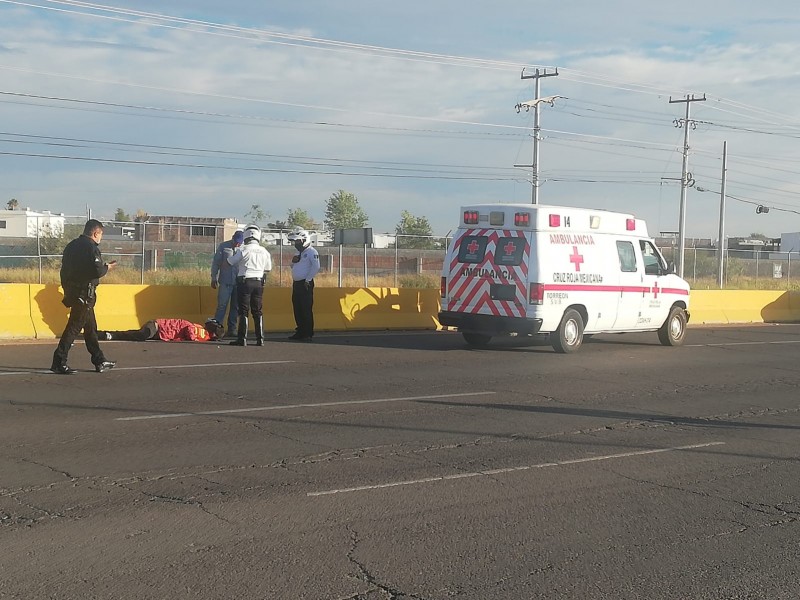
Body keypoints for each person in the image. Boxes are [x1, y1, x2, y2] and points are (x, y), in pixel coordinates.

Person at [51, 219, 117, 374]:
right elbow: (97, 271)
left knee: (90, 328)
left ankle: (99, 360)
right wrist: (107, 267)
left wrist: (68, 290)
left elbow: (64, 271)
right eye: (100, 234)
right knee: (73, 328)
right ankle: (58, 361)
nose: (100, 238)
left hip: (74, 292)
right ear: (95, 233)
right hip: (84, 295)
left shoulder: (71, 246)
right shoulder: (91, 248)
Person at [227, 224, 272, 346]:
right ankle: (260, 338)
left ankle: (242, 339)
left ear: (246, 236)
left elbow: (230, 261)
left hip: (245, 281)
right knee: (257, 310)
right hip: (259, 282)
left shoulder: (244, 250)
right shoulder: (264, 251)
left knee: (243, 310)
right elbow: (268, 268)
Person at [287, 227, 320, 342]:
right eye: (295, 241)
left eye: (298, 241)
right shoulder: (298, 252)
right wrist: (293, 261)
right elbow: (293, 266)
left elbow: (316, 267)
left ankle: (307, 333)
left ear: (304, 240)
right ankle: (300, 331)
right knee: (297, 308)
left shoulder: (312, 252)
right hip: (296, 283)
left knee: (306, 308)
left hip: (306, 283)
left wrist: (308, 280)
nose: (296, 243)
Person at [211, 230, 244, 337]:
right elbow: (216, 263)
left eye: (240, 242)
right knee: (222, 305)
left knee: (235, 306)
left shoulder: (243, 248)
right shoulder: (223, 246)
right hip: (225, 281)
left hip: (238, 282)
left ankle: (232, 328)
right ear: (233, 237)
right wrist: (213, 277)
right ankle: (217, 328)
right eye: (236, 241)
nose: (237, 244)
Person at [99, 318, 224, 342]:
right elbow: (190, 329)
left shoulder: (205, 335)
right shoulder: (196, 327)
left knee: (138, 334)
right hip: (156, 326)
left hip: (159, 335)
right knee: (142, 336)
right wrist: (194, 338)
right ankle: (111, 335)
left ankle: (108, 333)